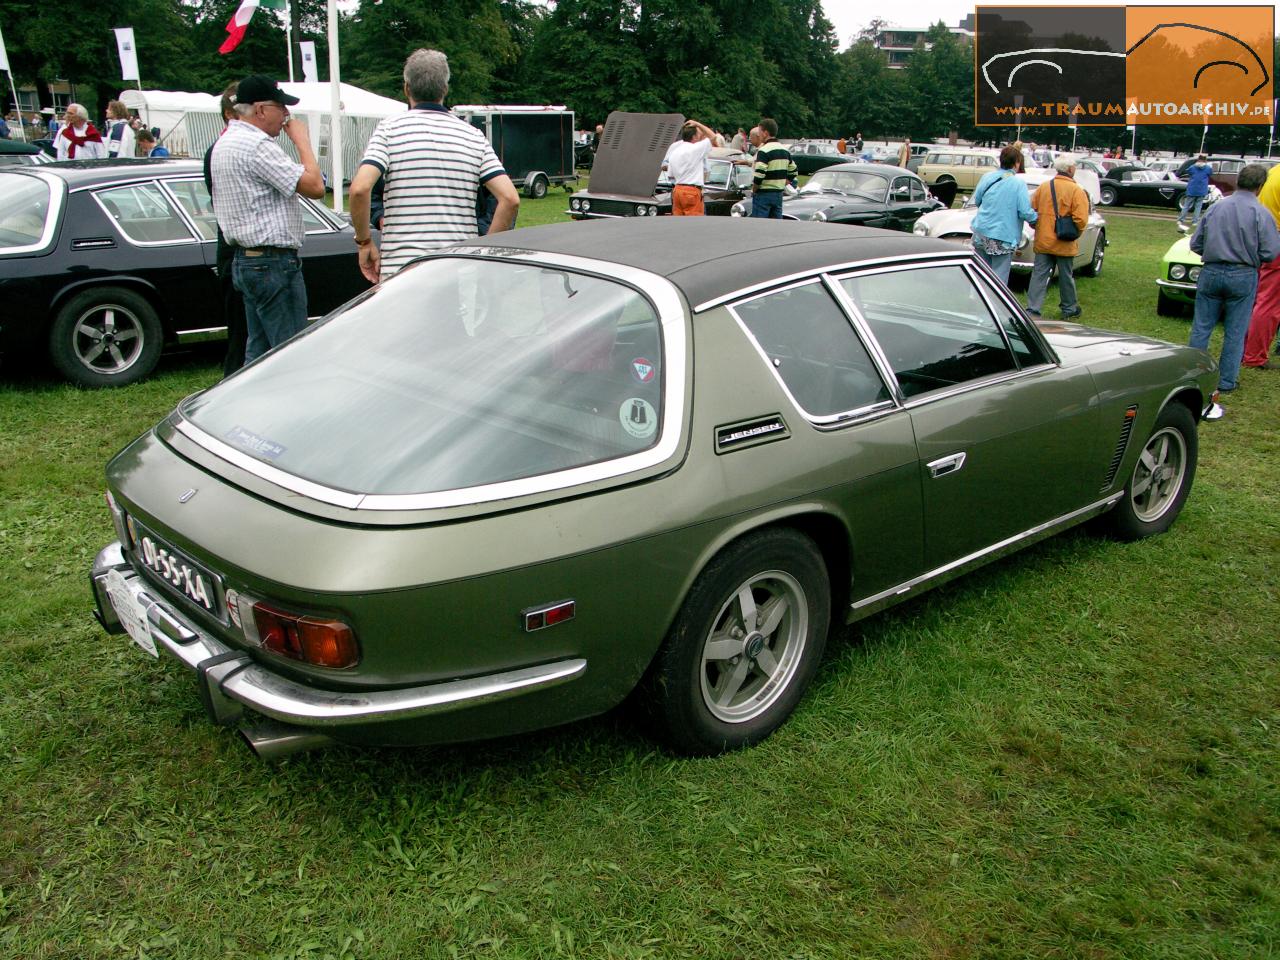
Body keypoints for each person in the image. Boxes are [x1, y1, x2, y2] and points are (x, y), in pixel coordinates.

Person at [349, 49, 518, 285]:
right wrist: (482, 254)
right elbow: (509, 199)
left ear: (406, 88)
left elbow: (360, 189)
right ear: (445, 89)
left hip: (402, 270)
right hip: (455, 270)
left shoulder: (389, 129)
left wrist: (364, 242)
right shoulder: (473, 136)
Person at [210, 74, 324, 364]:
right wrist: (302, 142)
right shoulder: (257, 145)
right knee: (291, 355)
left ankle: (244, 407)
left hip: (246, 260)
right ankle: (293, 408)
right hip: (272, 264)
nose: (286, 115)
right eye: (280, 107)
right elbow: (315, 187)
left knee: (258, 356)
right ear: (260, 110)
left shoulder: (225, 143)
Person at [1188, 162, 1280, 395]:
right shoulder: (1262, 214)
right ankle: (1227, 381)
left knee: (1201, 327)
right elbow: (1270, 252)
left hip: (1211, 270)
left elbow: (1195, 243)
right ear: (1260, 187)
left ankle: (1192, 374)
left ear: (1238, 181)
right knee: (1235, 331)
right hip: (1243, 274)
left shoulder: (1216, 208)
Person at [203, 83, 247, 377]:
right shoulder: (222, 151)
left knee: (246, 333)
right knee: (241, 333)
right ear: (230, 114)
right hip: (236, 249)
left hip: (233, 246)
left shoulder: (218, 150)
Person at [1026, 154, 1089, 319]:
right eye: (1074, 166)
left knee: (1039, 274)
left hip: (1044, 240)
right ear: (1070, 169)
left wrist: (1037, 227)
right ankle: (1069, 308)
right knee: (1066, 276)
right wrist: (1075, 234)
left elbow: (1032, 210)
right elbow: (1081, 219)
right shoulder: (1077, 190)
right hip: (1065, 241)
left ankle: (1033, 309)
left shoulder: (1044, 187)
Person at [969, 144, 1038, 285]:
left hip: (981, 231)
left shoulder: (987, 177)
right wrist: (1036, 218)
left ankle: (977, 300)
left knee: (981, 272)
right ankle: (995, 304)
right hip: (1002, 235)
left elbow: (977, 200)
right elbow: (1025, 211)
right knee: (999, 277)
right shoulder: (1018, 183)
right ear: (1017, 163)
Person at [1242, 163, 1280, 371]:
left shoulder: (1273, 171)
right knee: (1269, 304)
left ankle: (1245, 349)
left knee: (1256, 299)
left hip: (1260, 236)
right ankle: (1255, 355)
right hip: (1276, 239)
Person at [665, 119, 716, 216]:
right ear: (694, 137)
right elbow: (713, 137)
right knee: (693, 224)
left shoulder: (675, 151)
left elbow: (671, 175)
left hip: (677, 189)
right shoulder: (695, 149)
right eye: (699, 135)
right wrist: (697, 124)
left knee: (678, 222)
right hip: (691, 190)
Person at [750, 118, 796, 219]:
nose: (759, 135)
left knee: (759, 226)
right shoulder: (785, 150)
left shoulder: (764, 150)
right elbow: (793, 171)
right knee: (776, 226)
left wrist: (754, 189)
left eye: (760, 132)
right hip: (778, 194)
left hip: (763, 194)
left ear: (765, 133)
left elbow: (760, 173)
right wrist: (783, 182)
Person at [1178, 154, 1212, 232]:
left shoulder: (1192, 167)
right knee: (1198, 206)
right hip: (1202, 189)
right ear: (1205, 160)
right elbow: (1210, 174)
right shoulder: (1208, 168)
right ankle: (1195, 221)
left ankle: (1181, 220)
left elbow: (1189, 172)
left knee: (1186, 205)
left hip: (1192, 189)